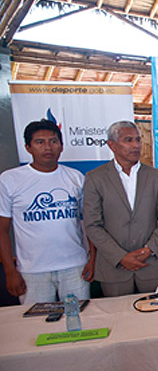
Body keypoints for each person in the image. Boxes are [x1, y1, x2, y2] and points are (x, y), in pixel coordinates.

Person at [0, 120, 95, 304]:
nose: (47, 147)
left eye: (53, 141)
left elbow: (90, 222)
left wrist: (92, 259)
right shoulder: (10, 179)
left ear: (61, 146)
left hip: (75, 267)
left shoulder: (75, 178)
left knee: (80, 322)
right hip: (32, 271)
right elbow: (2, 230)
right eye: (40, 142)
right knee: (37, 327)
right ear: (28, 147)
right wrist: (10, 271)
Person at [83, 121, 158, 297]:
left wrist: (149, 250)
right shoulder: (95, 178)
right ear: (112, 145)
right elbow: (93, 225)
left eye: (138, 140)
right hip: (114, 268)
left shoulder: (155, 176)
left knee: (156, 320)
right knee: (119, 320)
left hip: (151, 266)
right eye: (128, 140)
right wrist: (120, 257)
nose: (136, 145)